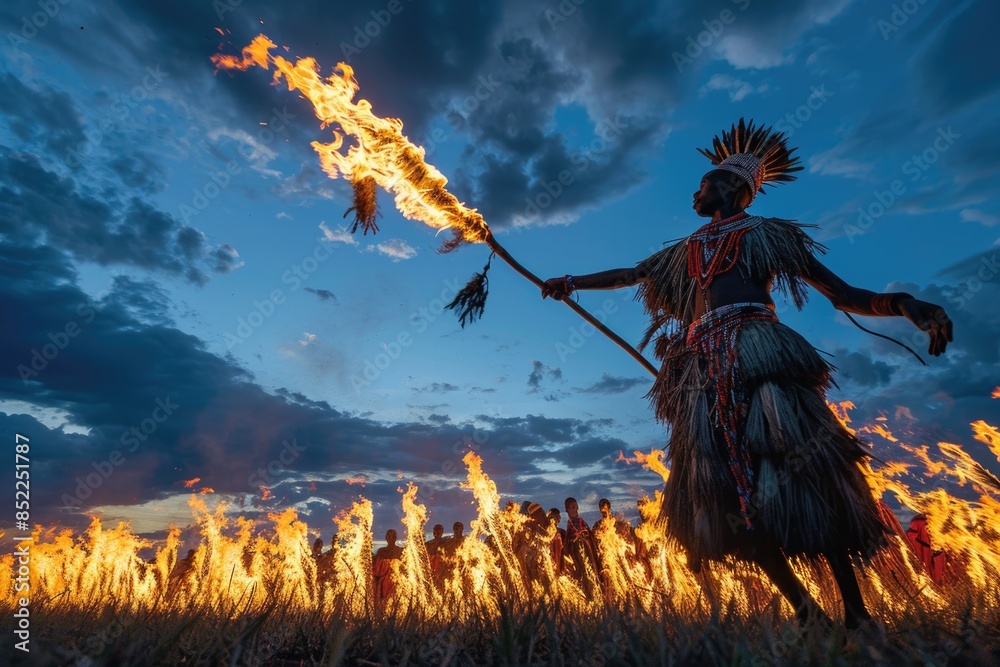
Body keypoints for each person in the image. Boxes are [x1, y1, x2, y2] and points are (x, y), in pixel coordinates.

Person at [541, 119, 953, 630]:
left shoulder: (767, 235)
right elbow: (630, 274)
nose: (695, 191)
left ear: (733, 188)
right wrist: (570, 282)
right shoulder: (682, 250)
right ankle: (807, 613)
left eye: (705, 183)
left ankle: (855, 615)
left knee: (806, 479)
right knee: (718, 497)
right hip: (702, 375)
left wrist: (906, 304)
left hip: (761, 359)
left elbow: (842, 295)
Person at [563, 497, 600, 596]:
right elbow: (568, 538)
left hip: (585, 549)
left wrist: (584, 535)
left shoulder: (581, 521)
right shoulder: (569, 523)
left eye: (574, 506)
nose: (573, 508)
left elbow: (590, 535)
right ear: (567, 509)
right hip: (576, 552)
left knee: (588, 569)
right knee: (581, 571)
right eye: (570, 507)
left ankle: (593, 591)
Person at [372, 529, 404, 605]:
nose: (391, 538)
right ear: (386, 537)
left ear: (395, 538)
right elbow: (376, 569)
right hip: (384, 582)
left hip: (396, 581)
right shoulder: (381, 551)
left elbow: (404, 567)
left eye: (393, 536)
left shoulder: (400, 551)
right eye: (389, 536)